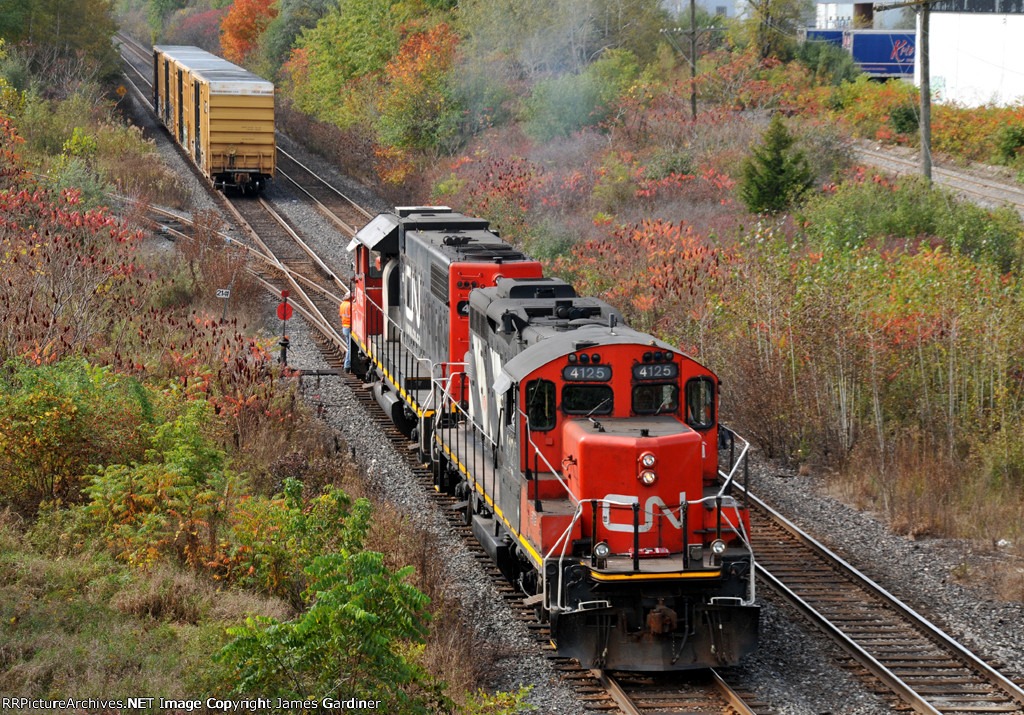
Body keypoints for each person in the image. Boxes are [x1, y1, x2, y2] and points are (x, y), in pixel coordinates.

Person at [339, 295, 352, 370]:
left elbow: (341, 315)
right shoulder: (350, 305)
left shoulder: (342, 304)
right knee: (350, 348)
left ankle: (347, 365)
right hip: (349, 327)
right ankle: (347, 365)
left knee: (348, 346)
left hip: (344, 326)